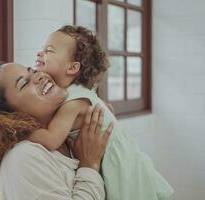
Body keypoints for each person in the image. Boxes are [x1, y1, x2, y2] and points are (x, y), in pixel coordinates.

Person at [28, 25, 174, 200]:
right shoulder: (77, 94)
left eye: (48, 51)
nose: (39, 53)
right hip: (126, 157)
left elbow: (51, 139)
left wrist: (14, 130)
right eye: (42, 49)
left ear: (72, 68)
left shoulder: (73, 103)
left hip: (121, 165)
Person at [0, 62, 113, 200]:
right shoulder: (23, 157)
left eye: (33, 71)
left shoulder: (68, 135)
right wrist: (89, 166)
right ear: (10, 116)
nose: (39, 76)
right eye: (24, 83)